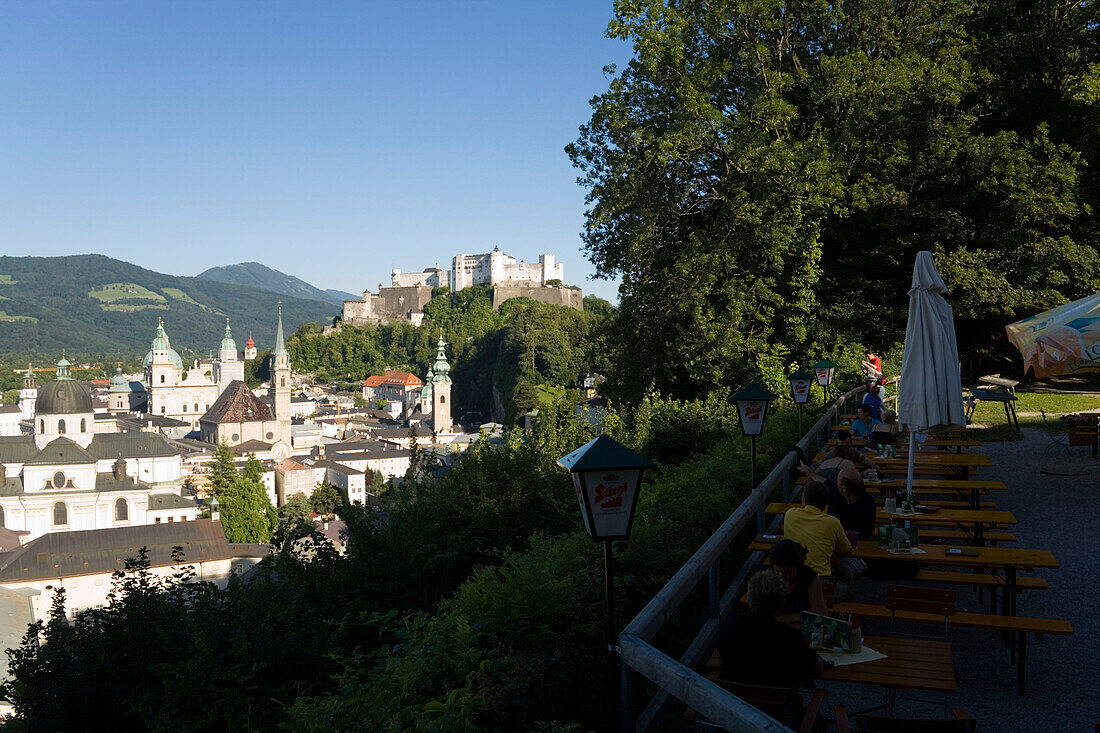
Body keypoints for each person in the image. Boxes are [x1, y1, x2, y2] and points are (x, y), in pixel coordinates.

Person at [718, 569, 823, 692]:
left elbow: (722, 657)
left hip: (733, 704)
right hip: (778, 708)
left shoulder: (731, 625)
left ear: (750, 600)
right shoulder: (790, 637)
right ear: (782, 603)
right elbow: (817, 669)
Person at [782, 481, 852, 578]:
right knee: (846, 577)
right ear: (826, 503)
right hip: (820, 580)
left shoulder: (790, 514)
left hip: (794, 578)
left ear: (804, 500)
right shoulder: (833, 522)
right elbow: (847, 550)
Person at [769, 539, 828, 625]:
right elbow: (762, 618)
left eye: (787, 573)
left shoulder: (809, 578)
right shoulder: (767, 576)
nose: (781, 577)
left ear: (798, 567)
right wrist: (796, 617)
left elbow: (821, 618)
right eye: (777, 571)